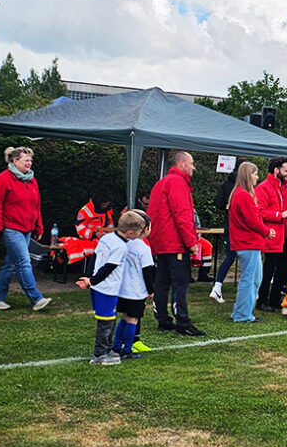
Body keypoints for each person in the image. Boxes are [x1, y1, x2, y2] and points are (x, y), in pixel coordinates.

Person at [0, 146, 52, 311]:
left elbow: (36, 206)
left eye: (30, 160)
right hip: (11, 229)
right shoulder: (2, 179)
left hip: (27, 229)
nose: (29, 163)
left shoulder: (31, 180)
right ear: (15, 161)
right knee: (24, 262)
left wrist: (39, 227)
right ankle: (36, 298)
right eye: (26, 160)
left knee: (11, 265)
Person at [76, 211, 146, 365]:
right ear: (130, 232)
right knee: (106, 323)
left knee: (110, 320)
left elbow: (94, 256)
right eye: (140, 232)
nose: (141, 235)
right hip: (106, 290)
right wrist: (91, 281)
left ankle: (108, 350)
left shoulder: (107, 237)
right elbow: (108, 268)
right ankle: (99, 355)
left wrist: (89, 278)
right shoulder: (121, 247)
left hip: (99, 287)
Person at [147, 151, 202, 336]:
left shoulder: (161, 183)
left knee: (161, 283)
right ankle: (183, 322)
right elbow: (183, 215)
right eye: (191, 163)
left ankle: (162, 319)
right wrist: (192, 242)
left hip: (162, 242)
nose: (193, 167)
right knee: (180, 284)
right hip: (175, 243)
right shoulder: (177, 183)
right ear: (182, 163)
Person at [228, 161, 276, 323]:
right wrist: (267, 231)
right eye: (255, 174)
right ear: (248, 175)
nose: (257, 177)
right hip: (247, 243)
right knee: (249, 280)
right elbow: (253, 221)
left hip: (248, 243)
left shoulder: (241, 194)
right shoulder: (243, 195)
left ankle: (242, 312)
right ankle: (243, 314)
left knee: (253, 279)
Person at [111, 210, 155, 360]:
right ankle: (128, 350)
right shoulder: (144, 248)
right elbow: (147, 272)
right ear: (145, 229)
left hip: (122, 289)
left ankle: (116, 346)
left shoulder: (125, 244)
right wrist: (151, 290)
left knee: (124, 317)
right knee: (133, 319)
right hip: (136, 290)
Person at [254, 157, 287, 312]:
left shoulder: (284, 188)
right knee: (269, 269)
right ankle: (262, 300)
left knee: (284, 267)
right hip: (272, 235)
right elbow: (259, 211)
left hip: (284, 234)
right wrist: (279, 215)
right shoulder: (264, 188)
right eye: (286, 170)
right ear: (276, 170)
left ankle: (274, 298)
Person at [209, 168, 240, 303]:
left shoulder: (227, 184)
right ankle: (250, 290)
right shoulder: (242, 186)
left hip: (229, 224)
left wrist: (227, 206)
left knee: (230, 256)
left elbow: (217, 202)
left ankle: (218, 285)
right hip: (240, 226)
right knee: (246, 258)